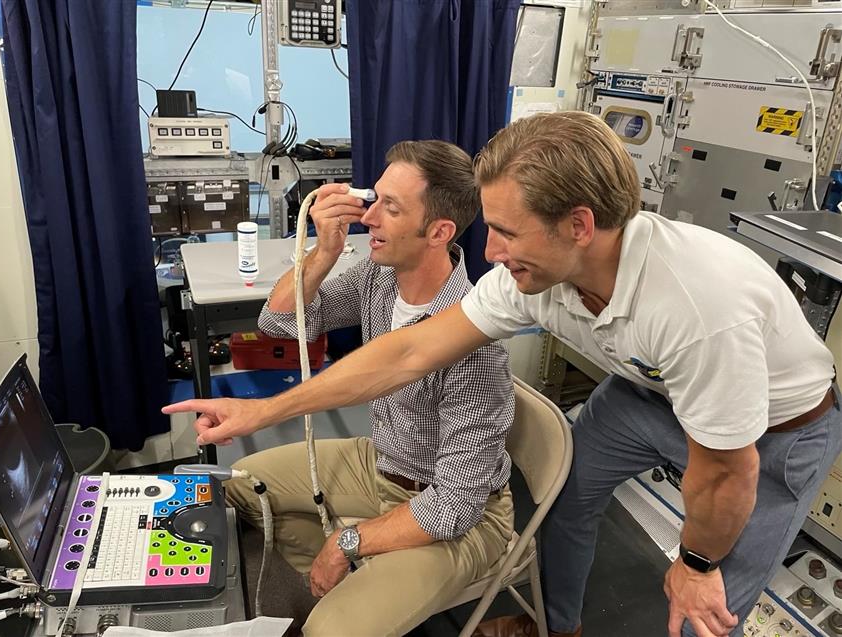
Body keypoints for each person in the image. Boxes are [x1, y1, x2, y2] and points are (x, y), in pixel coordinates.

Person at [165, 112, 842, 637]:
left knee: (711, 595)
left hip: (776, 429)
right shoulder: (531, 279)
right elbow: (406, 351)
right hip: (646, 386)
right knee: (570, 497)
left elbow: (727, 472)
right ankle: (560, 624)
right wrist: (262, 412)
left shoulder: (698, 309)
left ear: (579, 225)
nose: (489, 251)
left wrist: (694, 562)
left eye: (506, 233)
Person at [168, 140, 515, 636]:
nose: (368, 218)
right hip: (384, 465)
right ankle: (363, 579)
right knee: (243, 484)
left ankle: (360, 579)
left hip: (456, 514)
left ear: (438, 232)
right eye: (374, 199)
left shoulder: (475, 345)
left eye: (390, 208)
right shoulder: (381, 278)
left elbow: (454, 506)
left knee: (328, 631)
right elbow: (279, 321)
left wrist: (347, 542)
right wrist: (324, 249)